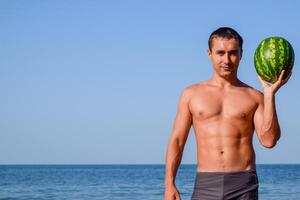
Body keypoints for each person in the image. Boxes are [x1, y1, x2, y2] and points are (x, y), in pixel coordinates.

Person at [164, 27, 291, 200]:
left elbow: (269, 141)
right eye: (220, 53)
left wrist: (270, 95)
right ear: (209, 54)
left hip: (244, 185)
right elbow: (177, 141)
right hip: (206, 183)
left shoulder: (255, 96)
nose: (227, 60)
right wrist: (169, 183)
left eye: (232, 53)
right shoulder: (191, 94)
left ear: (241, 54)